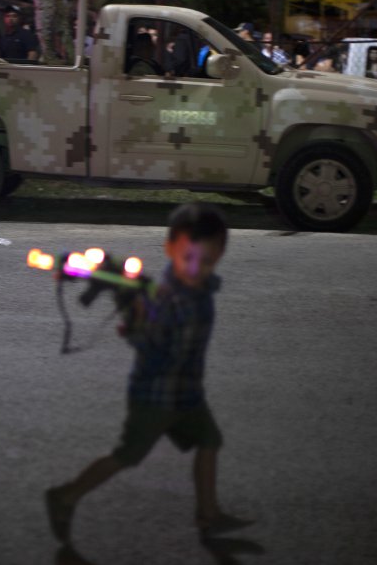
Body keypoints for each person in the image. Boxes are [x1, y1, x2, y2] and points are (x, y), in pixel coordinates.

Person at [44, 203, 250, 544]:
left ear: (221, 253)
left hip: (187, 394)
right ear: (170, 249)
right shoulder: (165, 298)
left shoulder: (198, 290)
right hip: (155, 397)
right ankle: (65, 496)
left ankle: (208, 515)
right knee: (128, 455)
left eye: (207, 260)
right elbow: (147, 341)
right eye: (188, 259)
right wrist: (135, 320)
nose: (196, 268)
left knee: (210, 441)